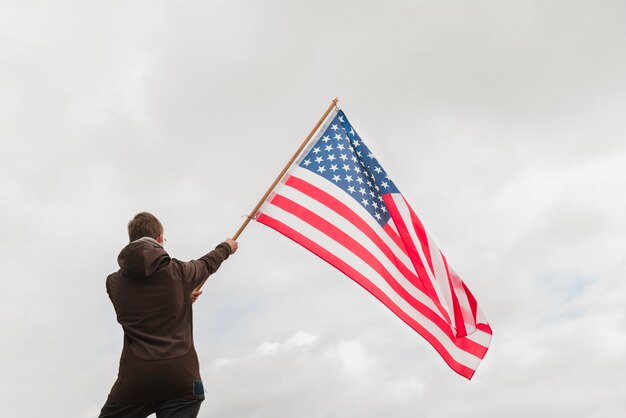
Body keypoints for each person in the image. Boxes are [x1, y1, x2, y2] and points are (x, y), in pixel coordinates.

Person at [98, 212, 238, 418]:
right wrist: (226, 247)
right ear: (160, 239)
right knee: (193, 393)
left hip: (136, 380)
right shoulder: (179, 272)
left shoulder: (113, 283)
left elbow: (140, 308)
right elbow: (207, 263)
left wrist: (181, 296)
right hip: (184, 380)